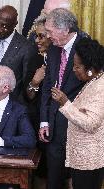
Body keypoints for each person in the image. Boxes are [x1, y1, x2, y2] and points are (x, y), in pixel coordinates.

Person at [38, 8, 87, 189]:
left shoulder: (86, 47)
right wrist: (44, 120)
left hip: (79, 127)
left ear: (65, 29)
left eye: (50, 31)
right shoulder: (52, 50)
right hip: (54, 126)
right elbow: (47, 88)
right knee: (54, 181)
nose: (48, 36)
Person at [51, 38, 104, 189]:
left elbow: (91, 123)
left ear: (90, 69)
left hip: (89, 160)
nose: (73, 69)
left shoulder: (100, 87)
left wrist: (65, 103)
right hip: (82, 157)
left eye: (77, 66)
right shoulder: (93, 82)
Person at [0, 5, 36, 102]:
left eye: (4, 26)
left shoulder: (26, 47)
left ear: (15, 24)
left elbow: (25, 82)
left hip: (9, 106)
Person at [24, 14, 51, 182]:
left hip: (57, 123)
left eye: (41, 36)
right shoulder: (35, 58)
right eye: (36, 35)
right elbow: (28, 95)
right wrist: (35, 81)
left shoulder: (65, 58)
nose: (37, 40)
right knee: (39, 172)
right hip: (36, 122)